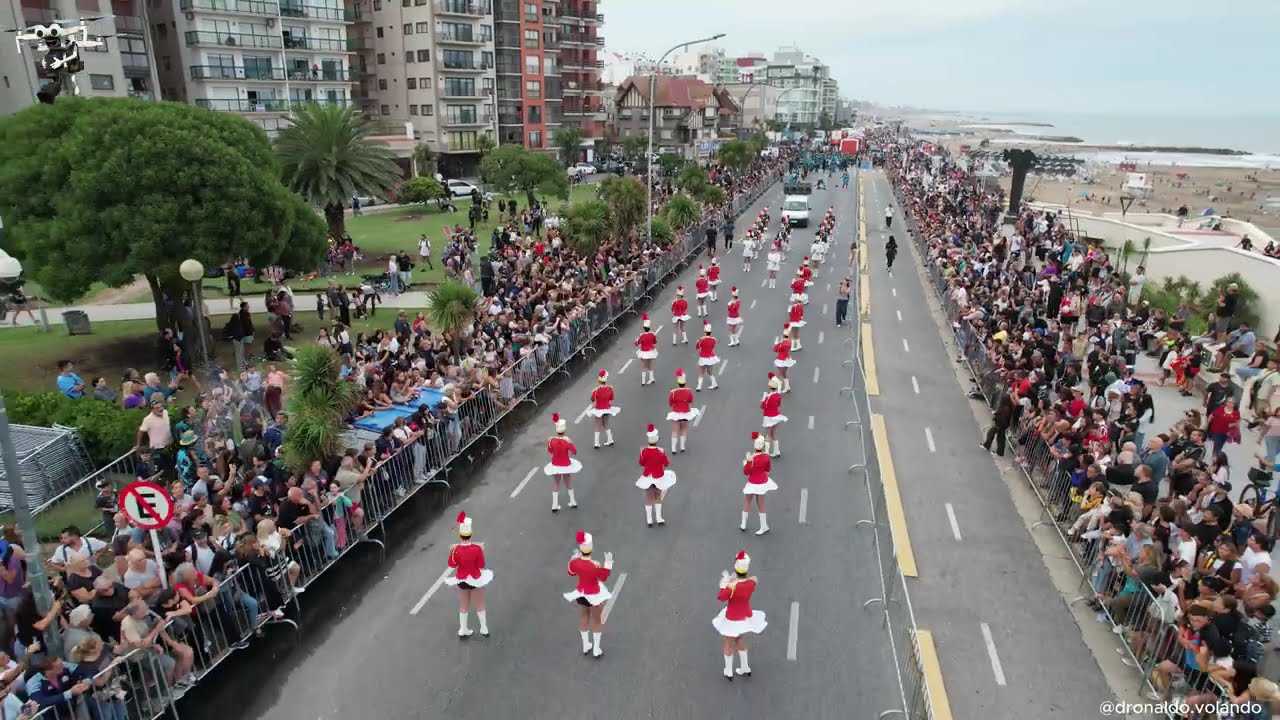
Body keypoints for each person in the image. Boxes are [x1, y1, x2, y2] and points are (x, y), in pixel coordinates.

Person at [714, 550, 768, 680]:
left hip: (732, 617)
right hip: (744, 616)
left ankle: (728, 671)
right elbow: (750, 580)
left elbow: (720, 597)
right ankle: (745, 667)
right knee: (739, 640)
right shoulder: (752, 582)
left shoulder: (732, 587)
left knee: (728, 643)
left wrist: (725, 584)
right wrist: (734, 581)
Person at [563, 531, 614, 658]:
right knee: (596, 620)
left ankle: (586, 644)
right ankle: (596, 649)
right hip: (594, 595)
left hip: (581, 593)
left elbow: (571, 572)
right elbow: (604, 577)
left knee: (584, 616)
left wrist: (573, 558)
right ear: (591, 548)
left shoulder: (576, 562)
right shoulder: (595, 565)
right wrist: (608, 563)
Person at [443, 511, 492, 638]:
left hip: (462, 580)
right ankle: (484, 628)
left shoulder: (456, 550)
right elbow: (481, 565)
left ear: (460, 535)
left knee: (464, 605)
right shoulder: (477, 549)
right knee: (479, 604)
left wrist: (452, 551)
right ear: (471, 534)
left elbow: (452, 564)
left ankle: (463, 629)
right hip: (475, 579)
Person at [635, 424, 676, 527]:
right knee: (658, 497)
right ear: (656, 439)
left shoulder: (644, 451)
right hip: (658, 477)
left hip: (648, 477)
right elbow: (666, 463)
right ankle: (659, 518)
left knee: (649, 498)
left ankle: (649, 520)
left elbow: (641, 463)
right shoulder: (660, 451)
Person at [543, 413, 581, 512]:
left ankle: (554, 505)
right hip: (566, 464)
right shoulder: (567, 441)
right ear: (564, 430)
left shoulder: (552, 441)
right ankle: (573, 501)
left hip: (555, 464)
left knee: (556, 483)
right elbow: (575, 452)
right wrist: (571, 442)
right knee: (568, 483)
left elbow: (550, 451)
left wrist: (550, 442)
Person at [741, 432, 777, 534]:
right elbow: (768, 469)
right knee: (761, 504)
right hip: (762, 482)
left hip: (753, 483)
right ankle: (764, 525)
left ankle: (743, 524)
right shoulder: (766, 457)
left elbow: (746, 472)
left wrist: (748, 462)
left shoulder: (751, 459)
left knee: (747, 501)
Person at [666, 369, 699, 454]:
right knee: (684, 429)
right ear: (685, 382)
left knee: (674, 431)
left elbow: (670, 403)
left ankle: (673, 449)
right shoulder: (689, 392)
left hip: (676, 413)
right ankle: (682, 447)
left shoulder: (673, 393)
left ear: (677, 383)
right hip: (685, 413)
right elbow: (691, 401)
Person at [587, 369, 620, 448]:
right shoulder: (610, 389)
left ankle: (596, 443)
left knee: (598, 425)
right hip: (607, 408)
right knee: (606, 424)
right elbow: (611, 398)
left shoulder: (596, 390)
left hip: (598, 409)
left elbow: (592, 399)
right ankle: (610, 439)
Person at [760, 373, 788, 457]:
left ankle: (767, 452)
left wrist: (763, 399)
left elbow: (763, 406)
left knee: (768, 434)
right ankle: (777, 451)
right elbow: (778, 405)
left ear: (769, 387)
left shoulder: (768, 397)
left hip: (769, 417)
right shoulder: (778, 396)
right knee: (773, 434)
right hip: (776, 416)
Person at [633, 314, 659, 386]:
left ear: (644, 328)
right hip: (651, 351)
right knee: (650, 365)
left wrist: (636, 340)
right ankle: (651, 378)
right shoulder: (652, 334)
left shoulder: (642, 335)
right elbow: (655, 342)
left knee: (643, 366)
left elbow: (637, 343)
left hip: (644, 352)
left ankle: (643, 381)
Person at [695, 322, 720, 392]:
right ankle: (715, 384)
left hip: (703, 357)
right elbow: (714, 344)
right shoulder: (713, 340)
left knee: (701, 372)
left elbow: (697, 347)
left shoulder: (702, 340)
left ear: (705, 332)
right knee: (710, 372)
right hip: (710, 358)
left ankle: (699, 386)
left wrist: (699, 340)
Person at [773, 325, 796, 393]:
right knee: (784, 373)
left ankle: (779, 390)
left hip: (781, 360)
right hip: (787, 359)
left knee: (780, 375)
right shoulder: (789, 342)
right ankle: (787, 387)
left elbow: (775, 350)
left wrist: (776, 343)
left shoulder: (781, 344)